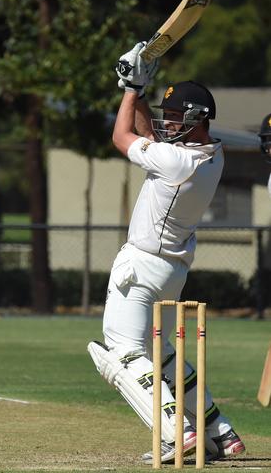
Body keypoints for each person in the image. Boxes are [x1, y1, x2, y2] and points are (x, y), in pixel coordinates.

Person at [87, 41, 245, 465]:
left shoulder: (177, 162)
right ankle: (220, 431)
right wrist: (139, 88)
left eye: (176, 117)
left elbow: (123, 137)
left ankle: (178, 432)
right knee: (165, 354)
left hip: (141, 266)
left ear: (196, 120)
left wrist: (128, 87)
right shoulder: (211, 156)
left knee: (120, 351)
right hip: (173, 270)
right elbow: (150, 135)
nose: (168, 123)